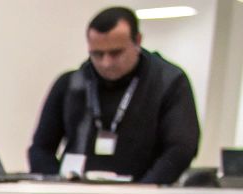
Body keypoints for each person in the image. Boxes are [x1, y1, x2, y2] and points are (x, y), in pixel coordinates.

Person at [27, 6, 200, 184]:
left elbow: (180, 149)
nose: (106, 63)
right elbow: (40, 149)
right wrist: (55, 187)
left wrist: (144, 192)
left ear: (138, 41)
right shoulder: (71, 84)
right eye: (97, 54)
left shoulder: (168, 82)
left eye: (116, 53)